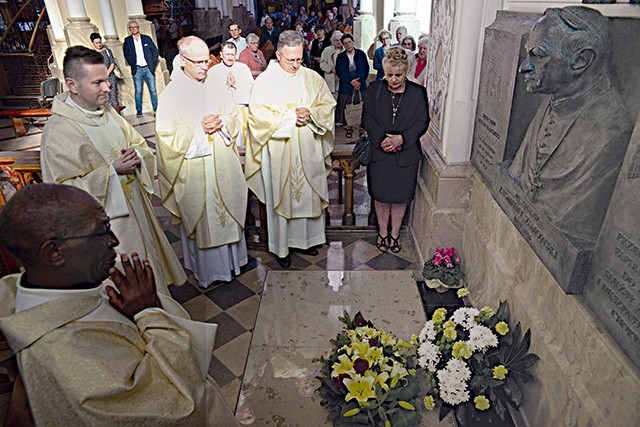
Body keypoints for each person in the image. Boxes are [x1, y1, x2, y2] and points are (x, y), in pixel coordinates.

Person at [0, 184, 239, 425]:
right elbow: (178, 407)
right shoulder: (68, 360)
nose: (114, 240)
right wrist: (149, 313)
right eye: (101, 231)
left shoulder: (60, 288)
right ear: (54, 252)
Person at [40, 46, 186, 295]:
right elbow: (61, 194)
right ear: (72, 85)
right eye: (97, 82)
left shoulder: (108, 114)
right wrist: (111, 172)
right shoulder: (59, 131)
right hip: (105, 228)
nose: (107, 88)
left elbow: (140, 146)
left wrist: (137, 155)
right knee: (123, 284)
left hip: (136, 209)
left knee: (147, 267)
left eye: (106, 80)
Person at [507, 6, 634, 244]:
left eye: (538, 55)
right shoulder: (553, 102)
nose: (524, 66)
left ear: (581, 60)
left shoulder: (611, 132)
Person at [155, 36, 247, 288]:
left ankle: (233, 263)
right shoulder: (172, 94)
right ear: (183, 60)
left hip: (223, 164)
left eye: (207, 60)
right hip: (195, 168)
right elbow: (166, 138)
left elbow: (233, 115)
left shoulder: (217, 85)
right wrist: (198, 128)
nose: (205, 66)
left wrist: (223, 123)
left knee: (227, 210)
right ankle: (209, 272)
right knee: (204, 218)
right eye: (198, 62)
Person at [246, 30, 336, 268]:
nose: (296, 65)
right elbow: (257, 116)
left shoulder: (311, 77)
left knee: (307, 194)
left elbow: (327, 105)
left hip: (308, 147)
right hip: (279, 151)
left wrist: (313, 114)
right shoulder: (265, 81)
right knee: (283, 195)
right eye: (290, 60)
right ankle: (282, 248)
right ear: (278, 54)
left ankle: (307, 241)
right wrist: (289, 118)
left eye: (299, 59)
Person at [362, 47, 430, 254]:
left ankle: (394, 234)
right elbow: (367, 118)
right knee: (380, 197)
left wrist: (402, 138)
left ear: (406, 71)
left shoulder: (418, 93)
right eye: (390, 75)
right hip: (379, 154)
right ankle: (383, 233)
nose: (393, 79)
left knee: (400, 198)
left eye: (398, 75)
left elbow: (422, 121)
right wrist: (382, 138)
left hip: (406, 156)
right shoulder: (375, 89)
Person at [208, 42, 254, 147]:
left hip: (241, 109)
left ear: (236, 55)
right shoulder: (213, 71)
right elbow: (210, 94)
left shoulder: (243, 68)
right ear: (221, 54)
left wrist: (236, 85)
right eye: (227, 54)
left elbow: (251, 90)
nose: (230, 57)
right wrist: (226, 87)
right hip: (223, 113)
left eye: (232, 55)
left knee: (243, 142)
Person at [335, 33, 370, 137]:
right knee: (347, 107)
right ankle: (348, 127)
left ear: (353, 42)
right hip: (347, 86)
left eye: (349, 42)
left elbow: (365, 68)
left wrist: (358, 82)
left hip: (360, 85)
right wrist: (351, 81)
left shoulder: (361, 54)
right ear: (343, 45)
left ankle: (361, 128)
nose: (348, 44)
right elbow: (340, 71)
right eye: (345, 43)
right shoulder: (341, 56)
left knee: (362, 106)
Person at [123, 20, 159, 117]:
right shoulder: (127, 40)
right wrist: (133, 63)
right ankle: (139, 110)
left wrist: (152, 64)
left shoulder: (146, 38)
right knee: (138, 91)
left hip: (148, 68)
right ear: (129, 29)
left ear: (138, 27)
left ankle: (156, 108)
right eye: (131, 27)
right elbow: (126, 54)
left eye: (135, 27)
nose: (134, 29)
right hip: (137, 69)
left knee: (153, 89)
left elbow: (155, 52)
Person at [89, 33, 119, 107]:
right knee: (106, 99)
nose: (99, 44)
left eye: (100, 42)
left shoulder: (108, 51)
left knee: (114, 97)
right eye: (96, 43)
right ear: (92, 43)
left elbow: (112, 63)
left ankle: (117, 116)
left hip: (111, 76)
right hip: (100, 79)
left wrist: (107, 73)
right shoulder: (91, 54)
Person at [319, 30, 344, 99]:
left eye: (340, 40)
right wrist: (330, 69)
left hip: (342, 80)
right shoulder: (327, 50)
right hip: (330, 78)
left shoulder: (345, 51)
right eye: (336, 40)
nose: (338, 42)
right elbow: (322, 63)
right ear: (333, 41)